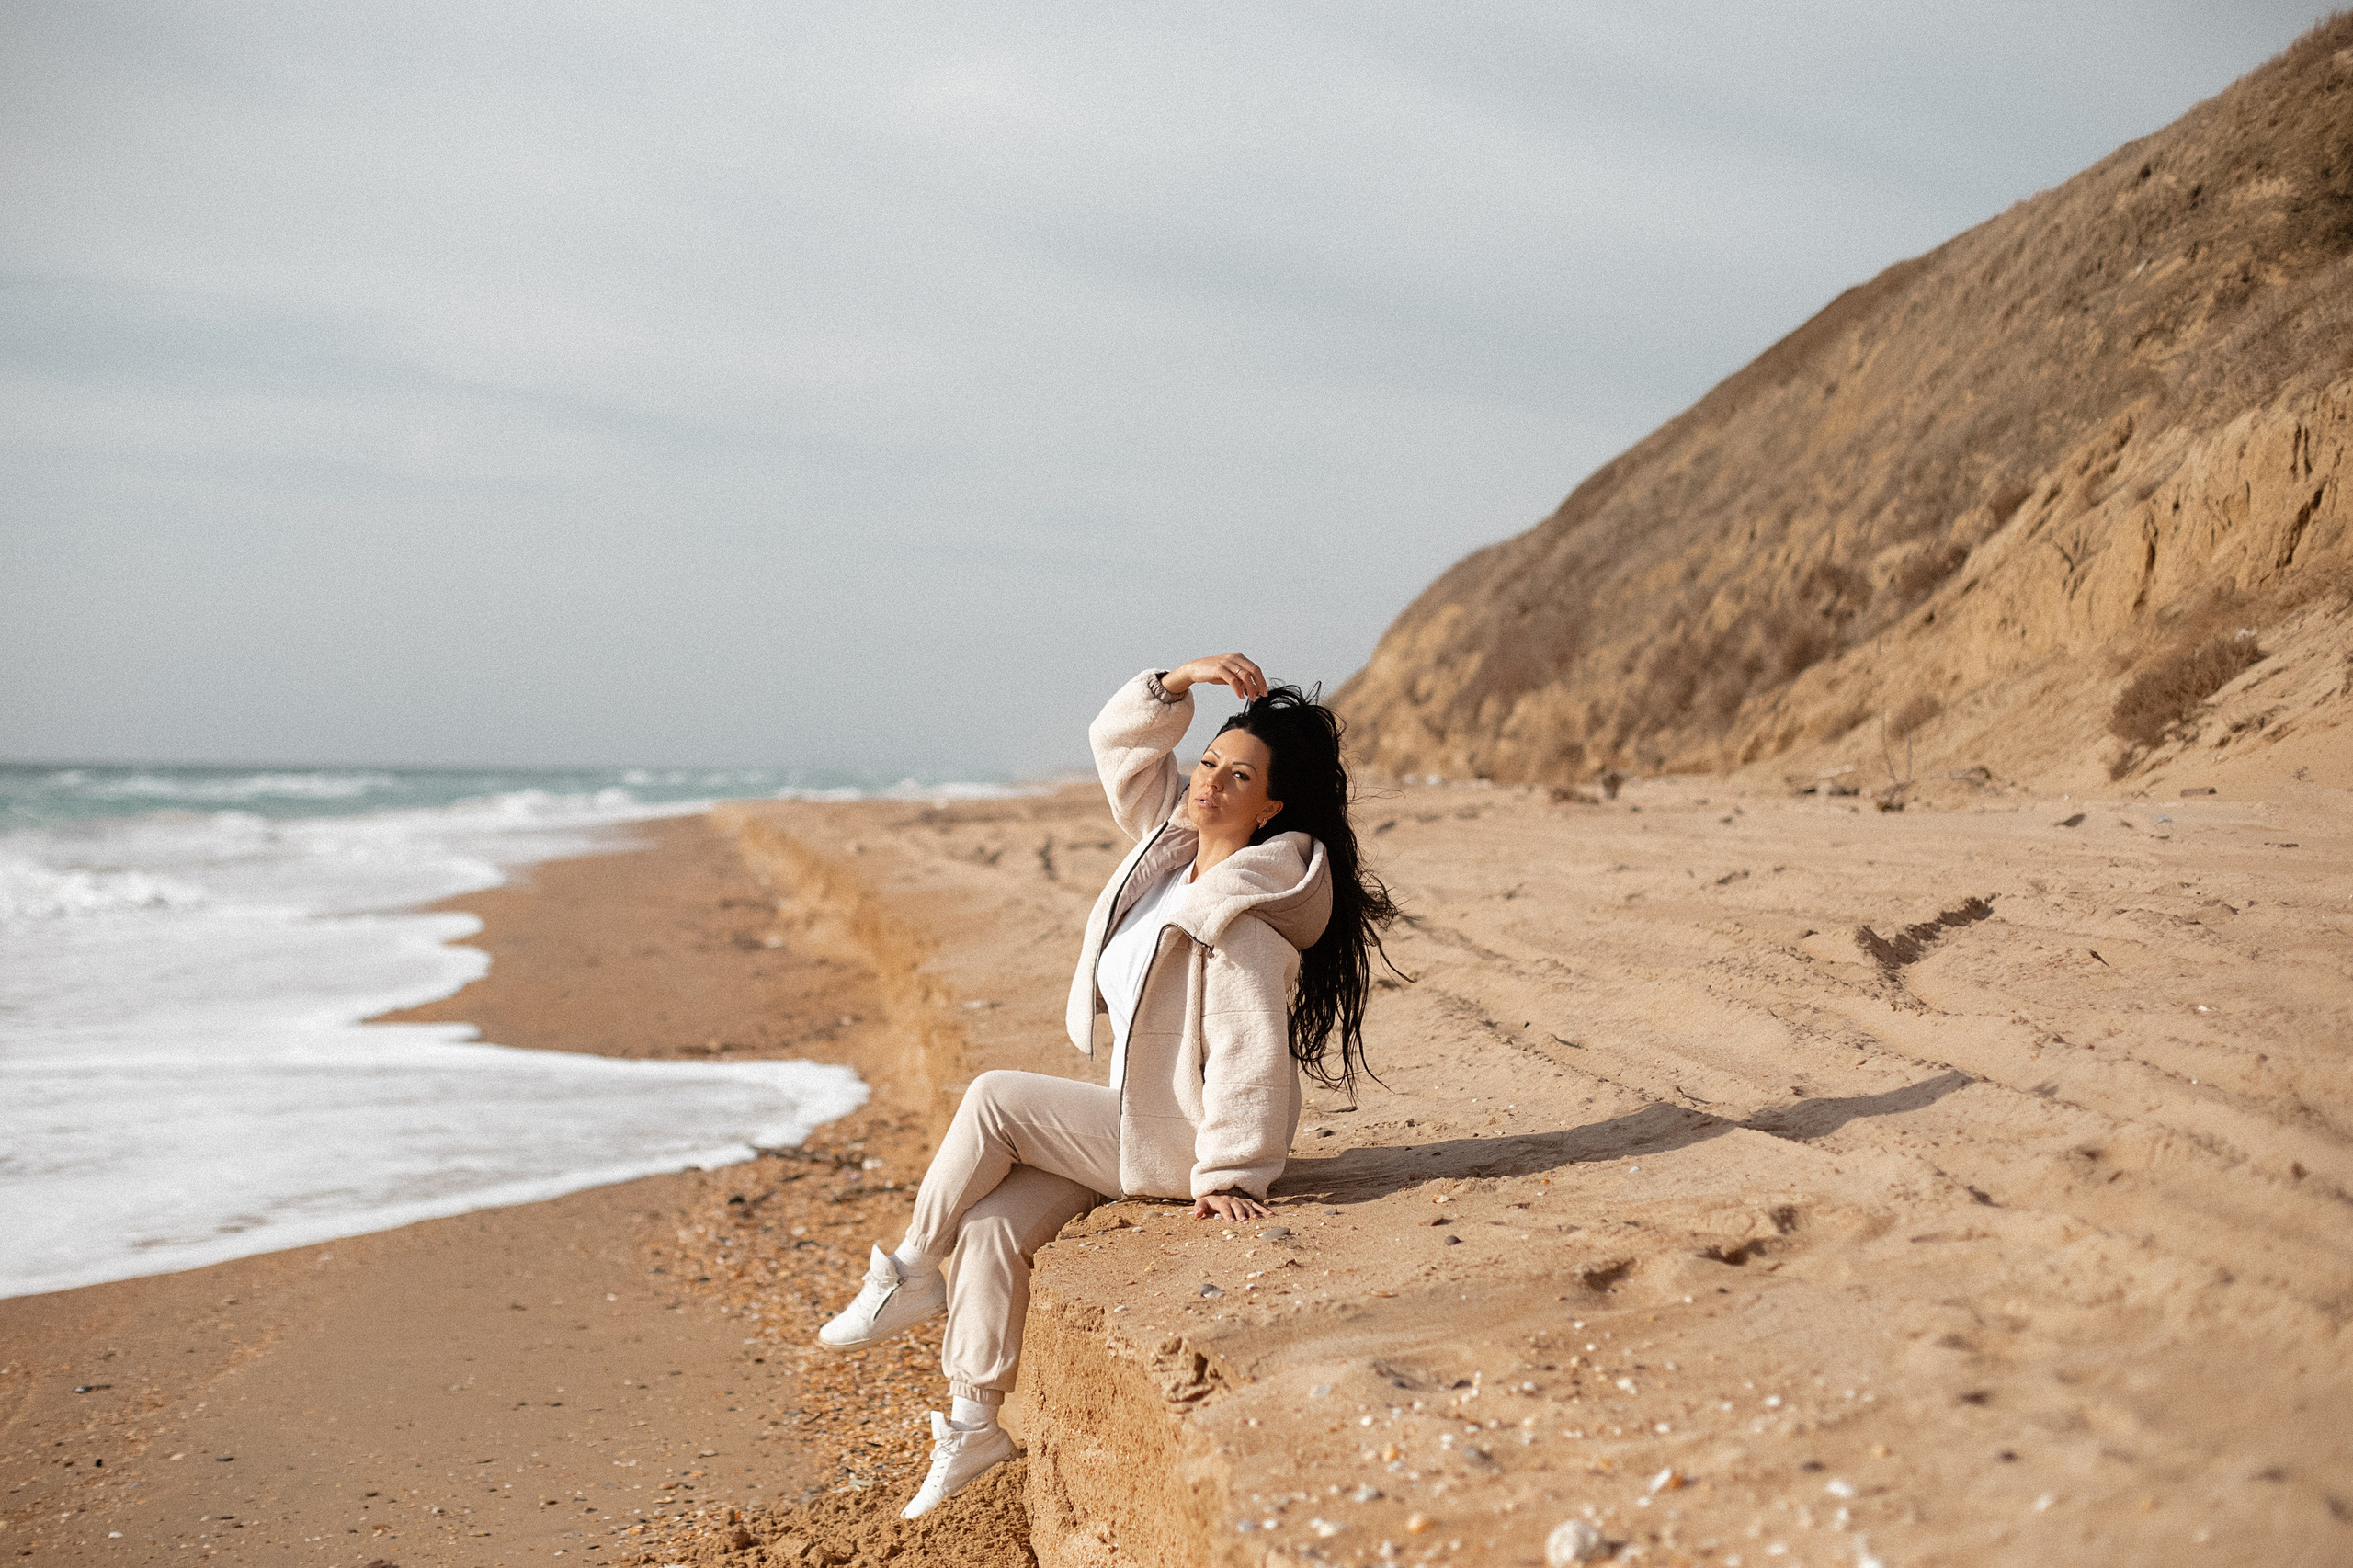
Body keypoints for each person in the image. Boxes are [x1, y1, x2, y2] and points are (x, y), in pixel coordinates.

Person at [815, 653, 1399, 1518]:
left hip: (1176, 1142)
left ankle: (904, 1269)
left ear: (1271, 805)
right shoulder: (1171, 859)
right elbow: (1117, 749)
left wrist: (1232, 1174)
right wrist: (1179, 682)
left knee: (993, 1097)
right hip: (1134, 1123)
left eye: (1237, 777)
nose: (1209, 784)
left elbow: (1251, 1053)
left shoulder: (1242, 917)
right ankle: (974, 1425)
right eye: (1207, 763)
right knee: (991, 1227)